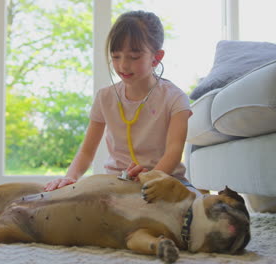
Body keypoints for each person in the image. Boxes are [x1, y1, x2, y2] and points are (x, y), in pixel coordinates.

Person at [44, 10, 192, 192]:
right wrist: (70, 177)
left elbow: (174, 152)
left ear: (157, 57)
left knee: (192, 208)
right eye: (116, 56)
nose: (123, 65)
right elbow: (86, 152)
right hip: (118, 181)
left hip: (164, 179)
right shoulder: (104, 98)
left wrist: (149, 179)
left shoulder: (175, 98)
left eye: (134, 57)